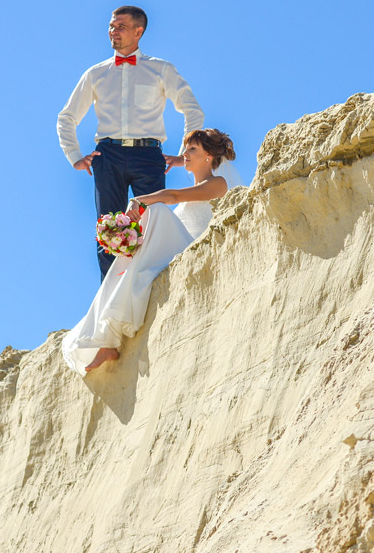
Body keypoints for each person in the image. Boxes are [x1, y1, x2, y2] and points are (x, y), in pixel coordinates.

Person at [62, 129, 240, 374]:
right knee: (131, 253)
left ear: (209, 156)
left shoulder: (217, 183)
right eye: (186, 148)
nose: (184, 154)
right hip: (181, 246)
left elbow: (173, 195)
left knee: (156, 211)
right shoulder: (202, 186)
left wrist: (141, 200)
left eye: (192, 150)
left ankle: (110, 334)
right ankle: (106, 335)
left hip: (195, 248)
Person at [57, 5, 205, 279]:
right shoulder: (95, 73)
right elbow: (66, 117)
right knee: (108, 230)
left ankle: (150, 289)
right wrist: (75, 155)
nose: (113, 31)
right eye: (112, 26)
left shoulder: (161, 69)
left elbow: (193, 110)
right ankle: (109, 299)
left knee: (151, 226)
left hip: (149, 157)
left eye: (121, 26)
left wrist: (184, 154)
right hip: (107, 156)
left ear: (139, 31)